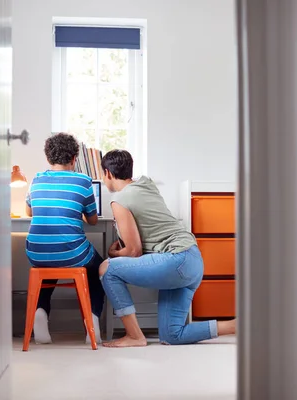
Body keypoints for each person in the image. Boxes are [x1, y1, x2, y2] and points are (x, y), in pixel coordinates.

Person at [99, 149, 236, 347]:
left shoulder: (119, 200)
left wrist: (113, 253)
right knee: (172, 335)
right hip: (193, 261)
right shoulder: (147, 185)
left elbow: (133, 251)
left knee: (107, 269)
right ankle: (234, 327)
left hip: (176, 260)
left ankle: (135, 336)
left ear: (108, 174)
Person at [25, 133, 104, 345]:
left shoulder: (36, 180)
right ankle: (93, 322)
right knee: (97, 269)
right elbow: (94, 220)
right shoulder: (83, 181)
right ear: (74, 158)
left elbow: (29, 211)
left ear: (48, 159)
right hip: (73, 253)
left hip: (36, 251)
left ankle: (41, 313)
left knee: (48, 265)